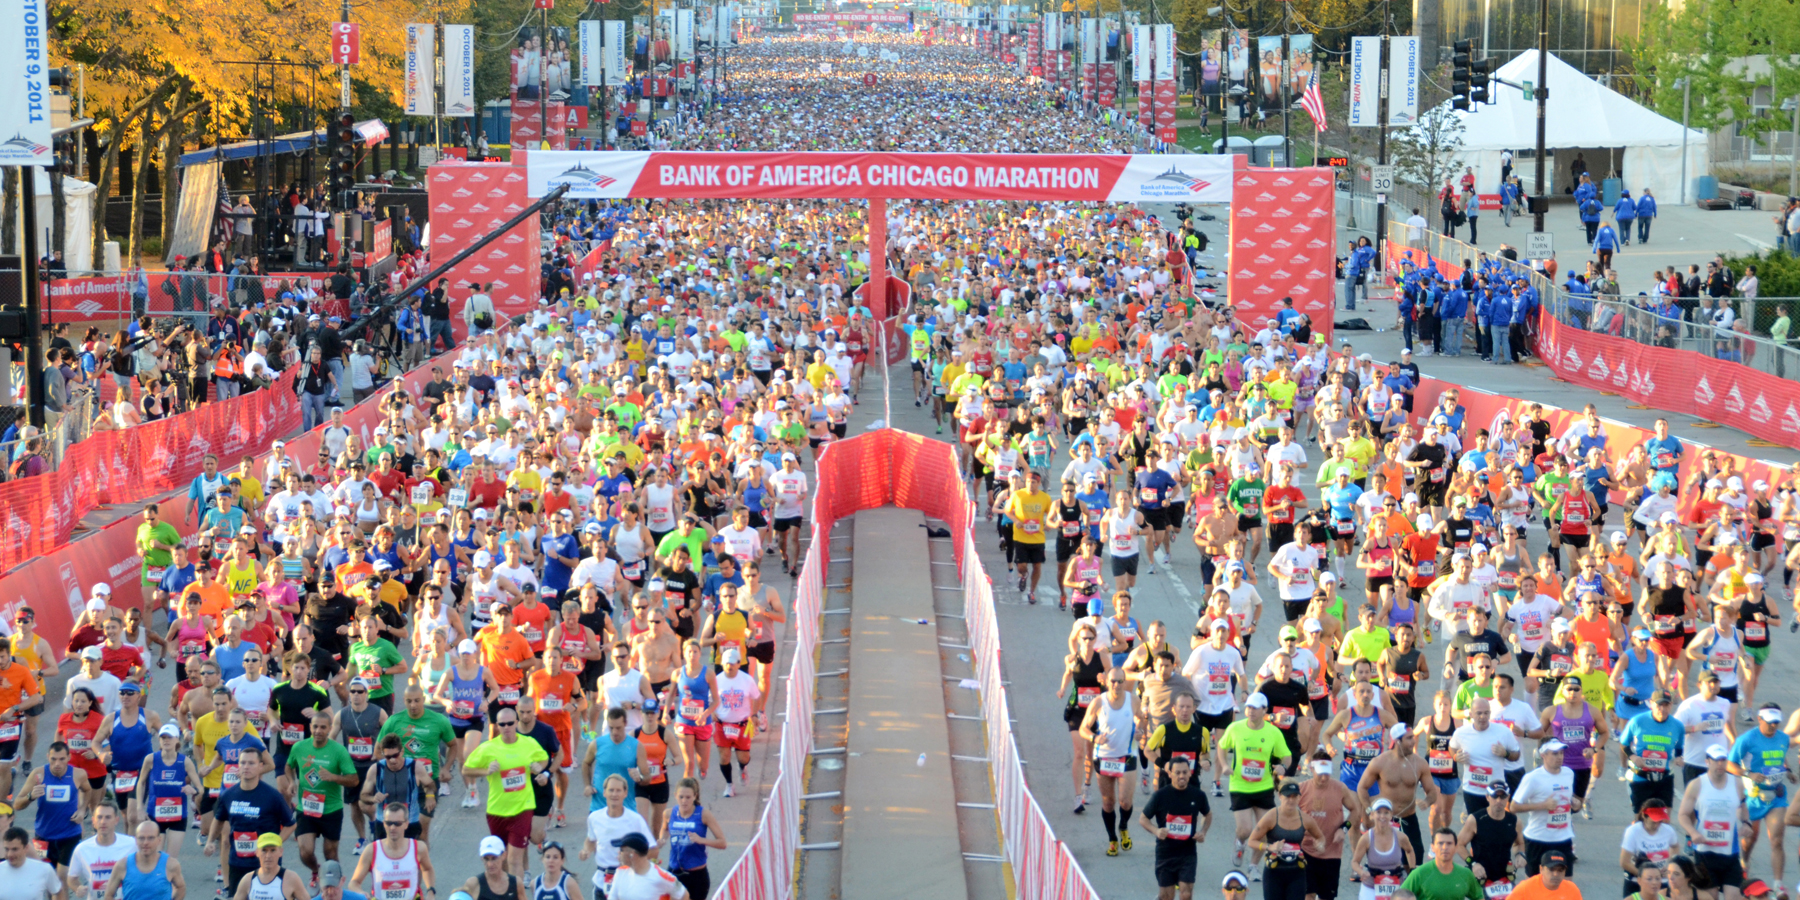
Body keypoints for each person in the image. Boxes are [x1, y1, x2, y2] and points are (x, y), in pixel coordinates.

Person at [462, 709, 549, 878]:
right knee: (502, 858)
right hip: (497, 811)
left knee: (514, 859)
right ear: (497, 726)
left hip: (523, 808)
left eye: (510, 723)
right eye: (502, 724)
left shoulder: (529, 743)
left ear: (516, 723)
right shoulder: (488, 748)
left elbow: (544, 757)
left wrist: (540, 768)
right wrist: (486, 771)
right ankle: (508, 892)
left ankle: (517, 893)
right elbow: (466, 769)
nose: (507, 727)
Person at [206, 748, 294, 895]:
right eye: (243, 763)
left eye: (251, 763)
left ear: (261, 766)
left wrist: (273, 845)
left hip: (266, 863)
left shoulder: (272, 796)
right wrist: (209, 841)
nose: (246, 767)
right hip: (237, 862)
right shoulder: (228, 795)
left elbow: (291, 824)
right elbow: (219, 819)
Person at [286, 713, 359, 888]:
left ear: (329, 729)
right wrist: (291, 782)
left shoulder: (338, 751)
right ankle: (316, 871)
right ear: (310, 727)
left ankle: (335, 885)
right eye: (315, 726)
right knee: (305, 852)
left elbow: (354, 779)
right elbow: (289, 765)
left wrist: (334, 777)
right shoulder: (299, 747)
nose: (318, 731)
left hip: (330, 809)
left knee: (330, 853)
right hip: (306, 808)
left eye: (323, 727)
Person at [1139, 754, 1213, 900]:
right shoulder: (1160, 796)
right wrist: (1156, 830)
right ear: (1170, 773)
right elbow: (1143, 818)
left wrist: (1203, 831)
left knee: (1186, 894)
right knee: (1166, 896)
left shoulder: (1197, 795)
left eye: (1185, 772)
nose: (1181, 776)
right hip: (1165, 853)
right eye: (1177, 773)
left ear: (1190, 773)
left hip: (1187, 853)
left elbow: (1208, 814)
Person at [1679, 745, 1746, 900]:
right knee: (1711, 896)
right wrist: (1693, 832)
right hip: (1705, 852)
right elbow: (1683, 815)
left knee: (1734, 897)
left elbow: (1744, 806)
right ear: (1707, 761)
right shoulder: (1697, 785)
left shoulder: (1737, 784)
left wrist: (1746, 823)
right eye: (1716, 760)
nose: (1720, 764)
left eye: (1723, 760)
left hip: (1730, 852)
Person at [18, 742, 92, 878]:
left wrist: (82, 810)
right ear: (48, 757)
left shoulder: (78, 774)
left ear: (69, 758)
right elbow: (17, 804)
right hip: (44, 836)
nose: (57, 763)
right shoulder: (38, 774)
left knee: (61, 878)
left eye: (61, 759)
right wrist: (30, 796)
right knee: (47, 879)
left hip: (70, 835)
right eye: (53, 759)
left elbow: (87, 790)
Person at [1247, 782, 1325, 898]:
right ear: (1280, 796)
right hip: (1273, 873)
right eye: (1288, 796)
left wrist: (1320, 844)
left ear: (1299, 798)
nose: (1291, 800)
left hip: (1297, 873)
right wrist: (1269, 847)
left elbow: (1320, 837)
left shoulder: (1305, 819)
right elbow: (1251, 841)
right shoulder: (1271, 817)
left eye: (1295, 796)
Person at [1511, 742, 1577, 876]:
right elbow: (1513, 806)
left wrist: (1576, 803)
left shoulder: (1568, 773)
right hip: (1538, 839)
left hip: (1563, 838)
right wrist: (1543, 805)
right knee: (1535, 885)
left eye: (1561, 753)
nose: (1559, 757)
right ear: (1543, 755)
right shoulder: (1533, 778)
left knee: (1566, 884)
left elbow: (1570, 800)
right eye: (1554, 753)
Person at [345, 803, 436, 900]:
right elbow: (354, 883)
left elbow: (427, 869)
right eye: (389, 823)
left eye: (397, 824)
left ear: (406, 824)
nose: (392, 827)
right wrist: (361, 893)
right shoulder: (372, 850)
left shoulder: (418, 848)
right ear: (384, 824)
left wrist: (431, 891)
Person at [581, 775, 653, 894]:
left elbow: (653, 849)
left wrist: (631, 859)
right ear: (604, 793)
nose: (614, 794)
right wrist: (586, 850)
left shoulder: (635, 820)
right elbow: (591, 839)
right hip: (602, 881)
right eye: (611, 790)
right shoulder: (594, 818)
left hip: (628, 880)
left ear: (625, 793)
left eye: (618, 790)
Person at [661, 778, 725, 900]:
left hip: (696, 876)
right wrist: (662, 839)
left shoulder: (703, 814)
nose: (684, 801)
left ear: (695, 796)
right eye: (681, 797)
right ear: (675, 796)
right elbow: (664, 829)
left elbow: (722, 843)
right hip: (674, 873)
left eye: (688, 797)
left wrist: (702, 840)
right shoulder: (669, 814)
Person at [97, 821, 186, 900]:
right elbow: (108, 895)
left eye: (150, 838)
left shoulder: (170, 865)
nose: (145, 842)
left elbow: (181, 888)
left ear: (159, 840)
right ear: (136, 840)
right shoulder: (122, 865)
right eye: (141, 838)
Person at [68, 803, 133, 900]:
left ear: (116, 820)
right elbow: (71, 878)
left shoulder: (131, 844)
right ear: (93, 821)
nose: (103, 822)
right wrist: (78, 888)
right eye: (99, 817)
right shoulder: (82, 849)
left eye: (108, 817)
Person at [1398, 829, 1485, 900]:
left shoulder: (1466, 874)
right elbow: (1399, 897)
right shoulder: (1419, 874)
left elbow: (1479, 897)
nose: (1444, 847)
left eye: (1449, 843)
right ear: (1432, 847)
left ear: (1456, 848)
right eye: (1440, 843)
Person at [605, 833, 683, 900]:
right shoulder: (620, 872)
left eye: (621, 850)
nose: (618, 853)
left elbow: (684, 896)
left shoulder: (662, 877)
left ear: (632, 854)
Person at [229, 834, 308, 900]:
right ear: (257, 852)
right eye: (264, 850)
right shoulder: (248, 880)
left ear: (280, 852)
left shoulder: (291, 879)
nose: (268, 856)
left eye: (273, 850)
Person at [0, 826, 65, 900]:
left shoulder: (44, 869)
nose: (9, 854)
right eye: (7, 849)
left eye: (15, 849)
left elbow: (58, 891)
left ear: (26, 848)